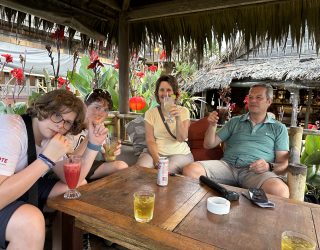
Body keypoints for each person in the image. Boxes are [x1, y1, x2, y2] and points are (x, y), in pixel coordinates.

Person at [0, 89, 107, 249]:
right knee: (31, 222)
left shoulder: (49, 138)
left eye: (67, 122)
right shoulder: (12, 128)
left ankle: (65, 242)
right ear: (43, 109)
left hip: (21, 189)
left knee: (78, 187)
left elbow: (74, 181)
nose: (60, 126)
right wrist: (46, 159)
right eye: (57, 115)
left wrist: (94, 144)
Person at [183, 83, 290, 198]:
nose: (253, 100)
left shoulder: (278, 128)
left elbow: (283, 164)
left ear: (269, 101)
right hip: (227, 167)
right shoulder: (235, 122)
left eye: (258, 97)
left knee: (280, 191)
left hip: (256, 173)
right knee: (191, 170)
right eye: (250, 97)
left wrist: (269, 166)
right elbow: (209, 144)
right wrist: (212, 125)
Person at [136, 75, 194, 173]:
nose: (165, 93)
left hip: (179, 154)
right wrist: (156, 159)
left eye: (169, 90)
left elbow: (181, 138)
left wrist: (178, 118)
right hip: (155, 152)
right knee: (141, 169)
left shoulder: (184, 111)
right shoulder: (150, 113)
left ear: (175, 93)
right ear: (157, 93)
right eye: (161, 90)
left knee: (165, 172)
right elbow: (150, 140)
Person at [70, 88, 128, 180]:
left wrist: (111, 152)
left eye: (105, 110)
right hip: (74, 168)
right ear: (85, 107)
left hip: (93, 167)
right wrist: (90, 136)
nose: (101, 113)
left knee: (122, 166)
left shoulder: (100, 128)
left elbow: (106, 157)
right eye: (97, 108)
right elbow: (70, 161)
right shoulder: (71, 126)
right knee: (121, 166)